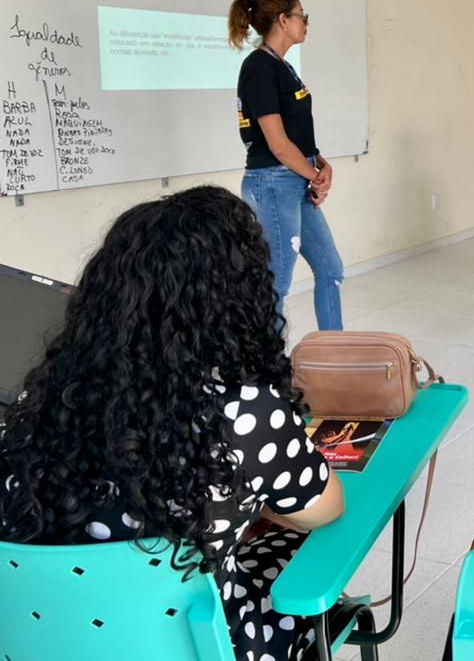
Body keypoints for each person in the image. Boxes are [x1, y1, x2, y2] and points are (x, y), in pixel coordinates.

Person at [0, 186, 344, 661]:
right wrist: (249, 503)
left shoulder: (41, 403)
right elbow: (322, 509)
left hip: (55, 642)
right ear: (237, 298)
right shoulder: (245, 414)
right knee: (300, 566)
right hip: (200, 646)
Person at [230, 0, 344, 330]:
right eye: (302, 16)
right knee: (275, 284)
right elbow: (277, 144)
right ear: (283, 20)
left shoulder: (283, 67)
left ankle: (336, 356)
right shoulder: (259, 68)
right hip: (273, 183)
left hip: (295, 178)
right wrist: (312, 174)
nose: (306, 24)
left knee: (331, 270)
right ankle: (268, 374)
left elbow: (295, 130)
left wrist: (320, 163)